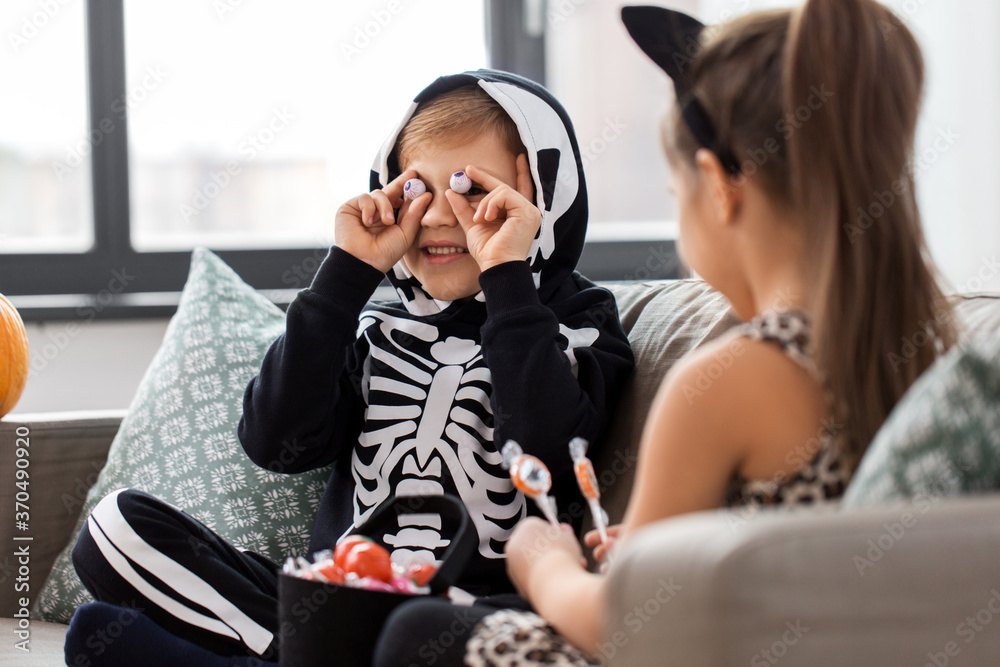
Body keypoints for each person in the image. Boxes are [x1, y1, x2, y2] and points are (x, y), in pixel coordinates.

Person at [372, 2, 960, 665]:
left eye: (675, 192)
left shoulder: (730, 379)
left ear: (718, 186)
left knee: (414, 634)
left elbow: (630, 625)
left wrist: (547, 566)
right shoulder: (918, 346)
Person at [64, 70, 634, 666]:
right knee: (116, 528)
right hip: (334, 598)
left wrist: (509, 279)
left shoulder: (580, 320)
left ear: (541, 198)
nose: (439, 216)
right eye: (416, 192)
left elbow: (545, 447)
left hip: (468, 616)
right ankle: (303, 651)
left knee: (107, 637)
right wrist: (344, 278)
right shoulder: (375, 326)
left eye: (470, 191)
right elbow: (274, 440)